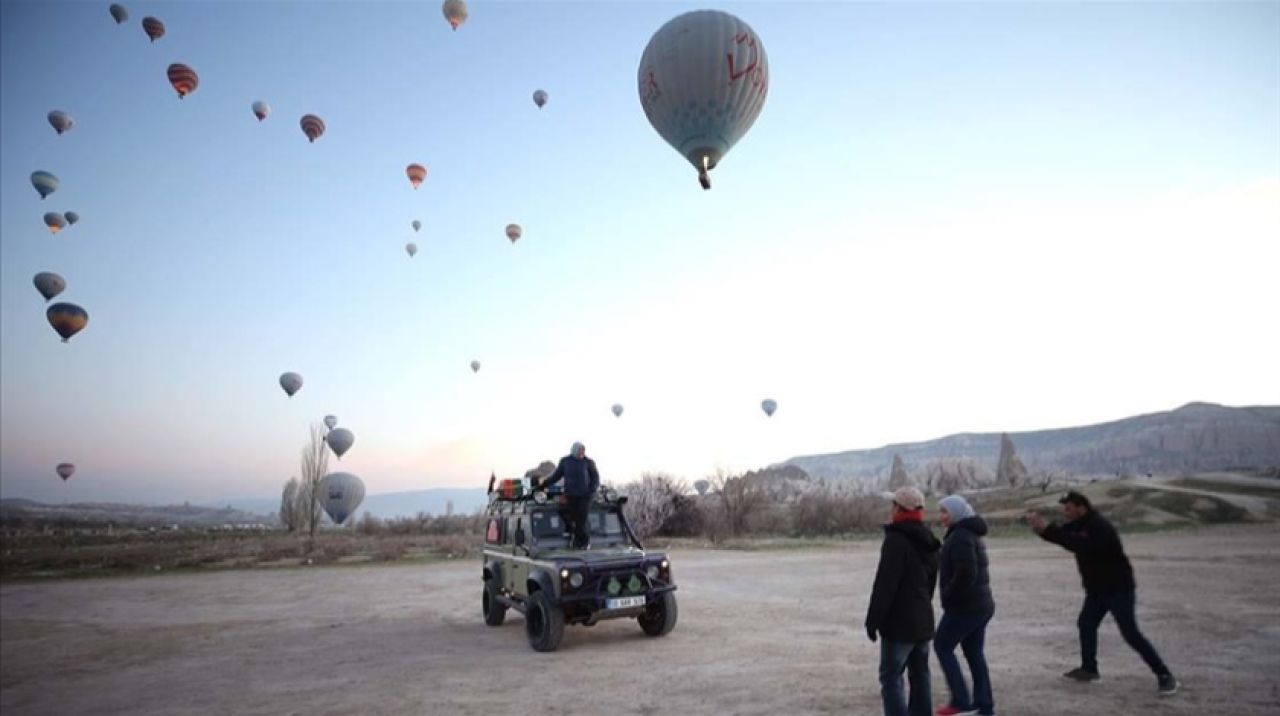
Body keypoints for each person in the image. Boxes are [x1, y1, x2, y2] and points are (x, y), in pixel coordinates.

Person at [1027, 491, 1178, 696]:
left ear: (1082, 507)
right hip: (1097, 590)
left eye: (1069, 508)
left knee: (1130, 633)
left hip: (1117, 589)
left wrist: (1047, 529)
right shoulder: (1081, 524)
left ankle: (1164, 675)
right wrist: (1042, 530)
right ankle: (1089, 669)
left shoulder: (1098, 526)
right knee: (1086, 624)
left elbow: (1077, 544)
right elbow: (1063, 535)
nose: (1066, 512)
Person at [866, 486, 942, 716]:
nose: (891, 510)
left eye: (893, 505)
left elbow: (885, 586)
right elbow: (930, 584)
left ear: (899, 509)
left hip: (899, 625)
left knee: (891, 677)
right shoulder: (929, 540)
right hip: (922, 620)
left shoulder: (896, 541)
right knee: (920, 676)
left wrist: (873, 620)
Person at [933, 495, 995, 716]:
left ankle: (960, 701)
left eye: (945, 512)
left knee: (942, 645)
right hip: (979, 605)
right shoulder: (968, 533)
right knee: (974, 652)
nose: (941, 516)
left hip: (966, 607)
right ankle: (984, 705)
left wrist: (949, 595)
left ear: (957, 513)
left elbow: (966, 573)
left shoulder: (960, 536)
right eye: (940, 511)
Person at [539, 442, 600, 549]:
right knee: (568, 515)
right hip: (571, 494)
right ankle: (574, 537)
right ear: (574, 450)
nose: (582, 452)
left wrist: (592, 490)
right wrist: (544, 484)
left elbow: (595, 477)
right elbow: (556, 475)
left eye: (583, 450)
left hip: (585, 495)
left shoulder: (588, 462)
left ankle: (584, 542)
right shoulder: (565, 462)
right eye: (580, 450)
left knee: (581, 518)